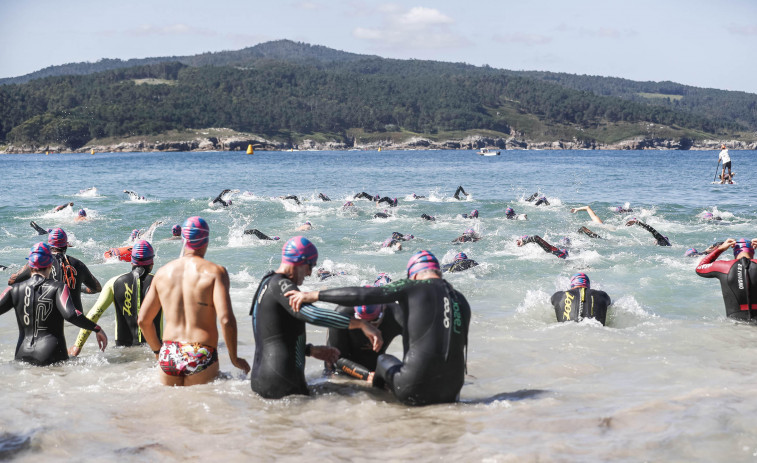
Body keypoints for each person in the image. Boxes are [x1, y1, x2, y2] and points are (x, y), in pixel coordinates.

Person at [286, 250, 471, 406]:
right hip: (452, 392)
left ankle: (375, 407)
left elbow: (364, 294)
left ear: (414, 276)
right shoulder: (461, 301)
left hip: (413, 389)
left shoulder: (414, 286)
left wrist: (315, 295)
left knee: (384, 359)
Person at [249, 236, 383, 399]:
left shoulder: (267, 282)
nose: (310, 273)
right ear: (298, 261)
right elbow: (313, 315)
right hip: (281, 382)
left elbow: (271, 333)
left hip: (263, 378)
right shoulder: (282, 285)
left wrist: (310, 350)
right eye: (310, 266)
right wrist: (361, 324)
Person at [137, 217, 250, 386]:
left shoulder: (163, 273)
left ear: (183, 239)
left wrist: (158, 353)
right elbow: (226, 320)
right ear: (206, 241)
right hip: (201, 353)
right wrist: (234, 359)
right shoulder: (215, 272)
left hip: (169, 353)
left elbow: (143, 320)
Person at [0, 243, 107, 365]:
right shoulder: (59, 288)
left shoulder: (14, 289)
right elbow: (71, 315)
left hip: (22, 354)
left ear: (30, 265)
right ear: (50, 264)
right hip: (52, 353)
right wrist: (96, 328)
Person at [70, 240, 162, 356]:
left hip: (122, 352)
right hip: (153, 351)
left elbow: (94, 314)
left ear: (131, 261)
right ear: (152, 263)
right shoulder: (160, 282)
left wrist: (77, 346)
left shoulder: (113, 283)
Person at [326, 274, 403, 380]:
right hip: (341, 366)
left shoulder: (396, 314)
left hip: (374, 367)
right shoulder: (342, 314)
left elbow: (417, 346)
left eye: (374, 321)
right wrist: (365, 375)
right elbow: (337, 358)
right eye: (362, 322)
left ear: (384, 307)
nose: (370, 327)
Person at [7, 227, 101, 312]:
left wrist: (29, 266)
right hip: (76, 320)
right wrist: (80, 289)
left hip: (48, 318)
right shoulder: (78, 264)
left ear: (49, 245)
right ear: (66, 245)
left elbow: (12, 281)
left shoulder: (39, 262)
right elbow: (97, 288)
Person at [695, 238, 757, 321]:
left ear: (735, 252)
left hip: (735, 325)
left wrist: (720, 249)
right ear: (753, 251)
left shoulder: (725, 267)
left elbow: (700, 268)